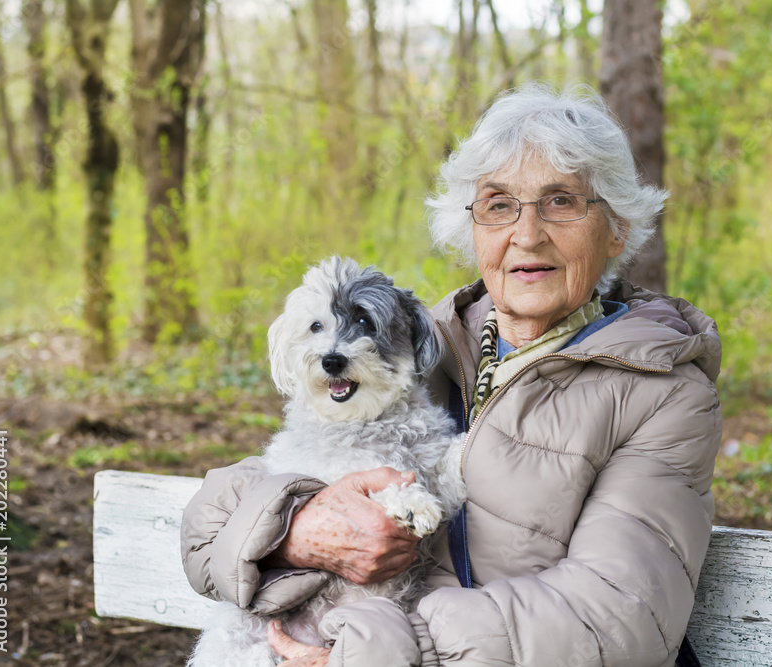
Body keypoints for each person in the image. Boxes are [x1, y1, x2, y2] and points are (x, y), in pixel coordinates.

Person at [181, 83, 722, 667]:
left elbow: (617, 614)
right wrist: (298, 530)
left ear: (615, 227)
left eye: (561, 201)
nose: (527, 233)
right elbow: (206, 531)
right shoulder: (413, 347)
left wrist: (374, 651)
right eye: (498, 205)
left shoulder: (663, 390)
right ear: (472, 230)